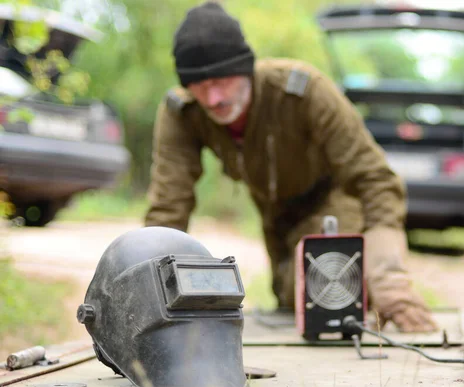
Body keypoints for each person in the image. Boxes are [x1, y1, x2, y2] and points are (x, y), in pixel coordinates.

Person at [144, 1, 437, 332]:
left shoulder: (304, 91)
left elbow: (377, 181)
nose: (213, 99)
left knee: (325, 288)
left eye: (222, 80)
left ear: (245, 68)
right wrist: (148, 292)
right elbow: (169, 205)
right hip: (276, 220)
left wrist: (390, 282)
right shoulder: (183, 111)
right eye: (199, 85)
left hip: (331, 204)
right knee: (292, 302)